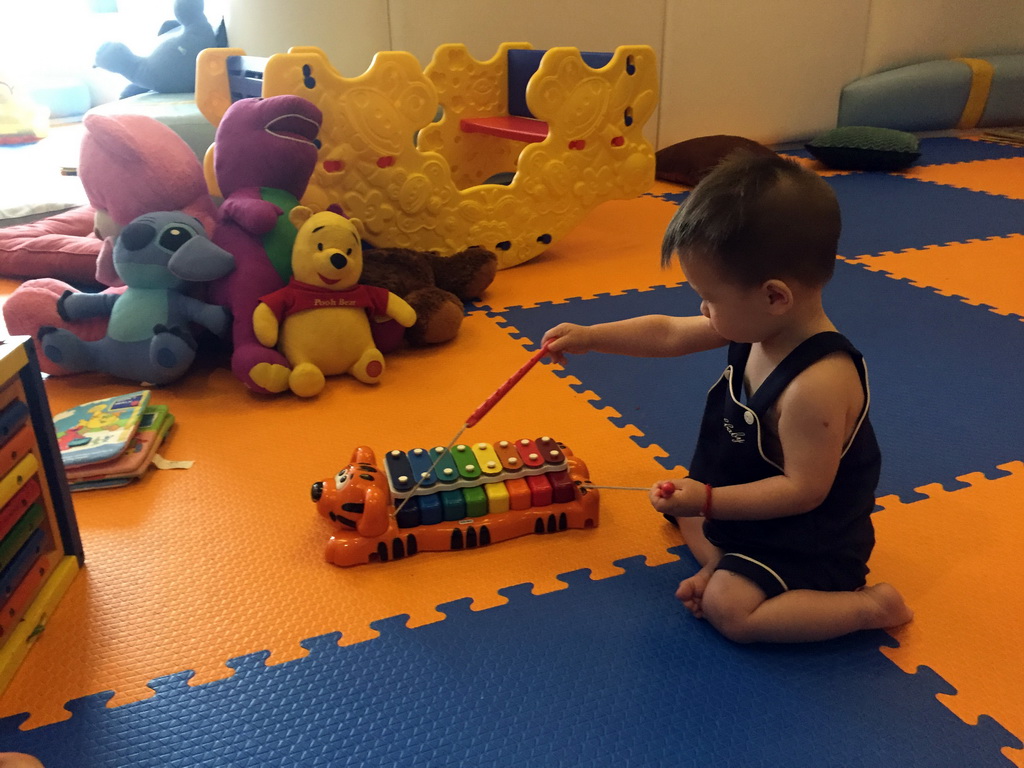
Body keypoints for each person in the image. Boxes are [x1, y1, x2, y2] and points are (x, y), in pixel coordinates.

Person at [542, 152, 913, 644]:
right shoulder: (759, 323)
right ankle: (724, 563)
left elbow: (805, 492)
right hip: (745, 507)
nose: (702, 309)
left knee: (729, 611)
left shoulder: (815, 385)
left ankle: (866, 607)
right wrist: (591, 336)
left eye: (709, 297)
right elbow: (669, 333)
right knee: (677, 506)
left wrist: (711, 499)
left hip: (805, 537)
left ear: (774, 296)